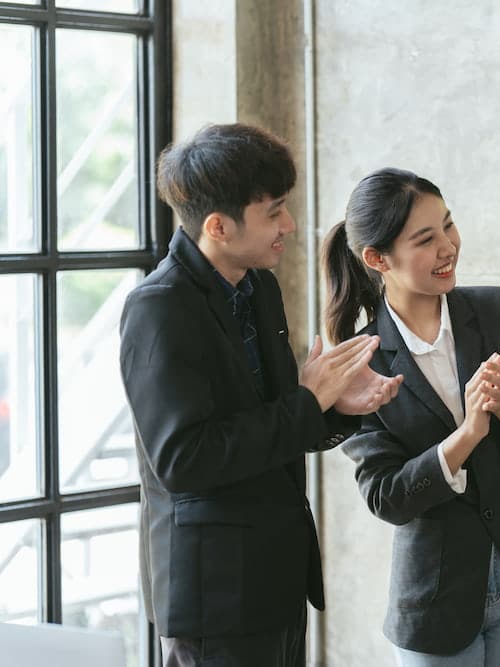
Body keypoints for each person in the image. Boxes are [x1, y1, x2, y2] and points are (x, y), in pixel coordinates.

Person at [119, 123, 403, 667]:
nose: (290, 225)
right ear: (219, 226)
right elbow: (184, 459)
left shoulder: (258, 285)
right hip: (214, 598)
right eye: (273, 212)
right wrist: (308, 400)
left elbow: (277, 421)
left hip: (274, 582)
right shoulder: (159, 308)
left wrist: (337, 405)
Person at [322, 167, 500, 666]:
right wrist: (466, 435)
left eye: (448, 225)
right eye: (426, 238)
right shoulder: (359, 362)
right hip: (435, 605)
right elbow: (388, 496)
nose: (448, 246)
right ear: (377, 259)